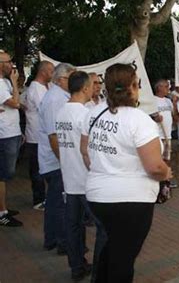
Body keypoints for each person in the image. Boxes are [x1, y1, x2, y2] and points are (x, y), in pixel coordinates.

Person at [80, 63, 171, 282]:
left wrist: (105, 168)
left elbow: (85, 152)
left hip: (98, 196)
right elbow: (154, 167)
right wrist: (167, 173)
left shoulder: (93, 113)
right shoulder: (139, 120)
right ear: (133, 86)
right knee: (123, 260)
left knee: (111, 250)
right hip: (131, 202)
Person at [56, 71, 93, 281]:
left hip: (69, 179)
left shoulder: (61, 112)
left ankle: (76, 266)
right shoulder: (84, 114)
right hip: (85, 180)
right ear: (85, 88)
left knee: (73, 226)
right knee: (102, 228)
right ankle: (98, 268)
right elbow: (88, 150)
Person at [39, 62, 76, 252]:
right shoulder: (55, 99)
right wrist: (63, 161)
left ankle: (52, 239)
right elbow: (53, 135)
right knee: (59, 202)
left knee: (54, 201)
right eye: (72, 77)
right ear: (62, 79)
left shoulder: (59, 96)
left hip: (55, 158)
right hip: (55, 160)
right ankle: (61, 241)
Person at [23, 61, 54, 211]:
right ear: (43, 72)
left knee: (42, 167)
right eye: (51, 71)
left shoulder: (45, 87)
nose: (53, 74)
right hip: (35, 136)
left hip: (43, 135)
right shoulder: (35, 88)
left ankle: (43, 197)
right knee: (36, 169)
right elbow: (45, 108)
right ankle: (39, 199)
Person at [0, 50, 23, 227]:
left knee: (6, 175)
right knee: (3, 175)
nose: (11, 65)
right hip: (4, 135)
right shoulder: (2, 84)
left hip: (11, 132)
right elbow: (15, 103)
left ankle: (4, 207)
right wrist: (15, 83)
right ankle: (2, 213)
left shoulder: (4, 82)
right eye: (8, 62)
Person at [152, 80, 174, 166]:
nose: (168, 88)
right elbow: (145, 117)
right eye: (165, 86)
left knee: (166, 157)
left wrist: (175, 103)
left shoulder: (168, 101)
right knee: (157, 158)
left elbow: (174, 116)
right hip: (157, 135)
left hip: (167, 135)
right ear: (159, 88)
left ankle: (165, 178)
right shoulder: (152, 100)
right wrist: (154, 119)